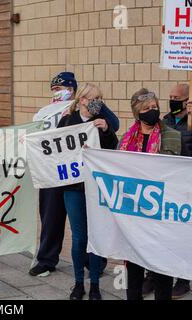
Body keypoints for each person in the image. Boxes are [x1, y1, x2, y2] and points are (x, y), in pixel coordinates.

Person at [29, 72, 119, 278]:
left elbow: (112, 131)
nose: (57, 92)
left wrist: (104, 126)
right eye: (54, 89)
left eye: (61, 89)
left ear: (73, 91)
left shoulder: (98, 115)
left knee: (84, 224)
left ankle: (92, 261)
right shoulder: (50, 112)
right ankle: (46, 260)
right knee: (51, 217)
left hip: (81, 180)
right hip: (55, 172)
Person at [118, 88, 183, 300]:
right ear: (137, 112)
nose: (152, 111)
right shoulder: (126, 140)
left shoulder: (173, 137)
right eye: (146, 108)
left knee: (163, 269)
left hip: (162, 212)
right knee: (134, 269)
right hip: (134, 214)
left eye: (154, 107)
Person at [57, 83, 118, 300]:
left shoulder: (101, 122)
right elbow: (55, 150)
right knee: (79, 237)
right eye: (94, 98)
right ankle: (78, 283)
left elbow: (113, 150)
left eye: (100, 98)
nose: (98, 102)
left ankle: (94, 285)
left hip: (95, 188)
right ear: (82, 100)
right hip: (73, 188)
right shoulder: (67, 121)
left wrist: (107, 130)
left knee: (96, 236)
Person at [138, 84, 192, 299]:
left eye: (176, 97)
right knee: (156, 233)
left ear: (187, 99)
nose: (172, 100)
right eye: (170, 97)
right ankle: (153, 274)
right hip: (161, 186)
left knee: (179, 233)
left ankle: (182, 278)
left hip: (183, 186)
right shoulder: (166, 121)